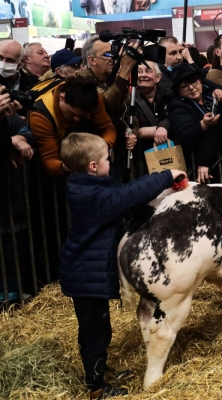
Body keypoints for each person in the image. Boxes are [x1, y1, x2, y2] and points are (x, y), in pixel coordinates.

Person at [57, 132, 185, 399]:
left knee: (99, 329)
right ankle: (96, 388)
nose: (110, 162)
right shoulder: (92, 196)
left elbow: (123, 192)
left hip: (86, 271)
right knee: (95, 332)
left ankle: (99, 371)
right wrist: (165, 176)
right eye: (107, 159)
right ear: (93, 167)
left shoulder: (88, 186)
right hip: (85, 275)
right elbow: (124, 197)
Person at [28, 74, 117, 176]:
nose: (77, 119)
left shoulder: (93, 98)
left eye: (83, 116)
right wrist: (73, 166)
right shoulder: (40, 116)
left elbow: (108, 129)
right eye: (73, 113)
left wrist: (101, 150)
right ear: (62, 97)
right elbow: (49, 161)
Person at [80, 35, 137, 179]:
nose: (113, 58)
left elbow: (129, 110)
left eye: (114, 53)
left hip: (118, 151)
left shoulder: (111, 79)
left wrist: (131, 132)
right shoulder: (81, 80)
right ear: (91, 60)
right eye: (107, 55)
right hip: (95, 156)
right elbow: (107, 104)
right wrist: (125, 69)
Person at [0, 85, 35, 301]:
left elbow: (24, 131)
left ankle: (10, 300)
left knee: (11, 252)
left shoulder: (6, 116)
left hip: (9, 200)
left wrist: (19, 139)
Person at [168, 64, 222, 183]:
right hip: (200, 163)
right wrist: (203, 124)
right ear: (179, 92)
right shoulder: (178, 105)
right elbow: (185, 135)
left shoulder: (209, 91)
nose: (191, 87)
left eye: (194, 82)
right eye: (184, 86)